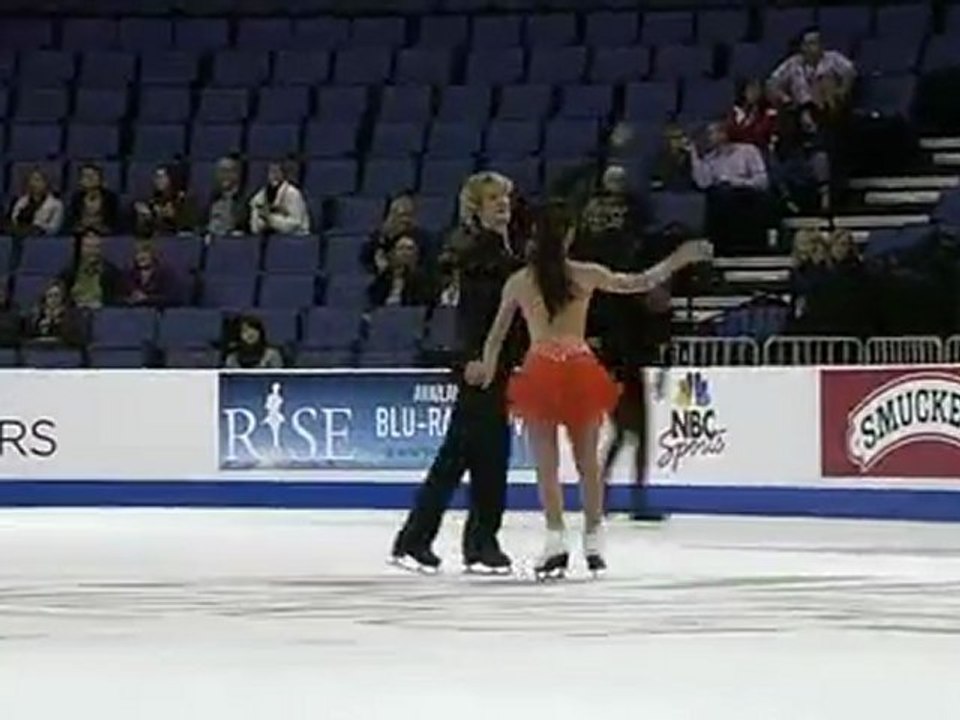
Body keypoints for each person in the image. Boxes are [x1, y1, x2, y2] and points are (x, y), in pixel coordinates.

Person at [474, 202, 711, 577]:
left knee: (547, 467)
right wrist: (677, 260)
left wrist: (487, 366)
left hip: (540, 370)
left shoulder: (519, 281)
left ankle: (555, 540)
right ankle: (593, 541)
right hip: (579, 367)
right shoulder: (586, 274)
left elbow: (497, 336)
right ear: (568, 237)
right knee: (588, 465)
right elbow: (639, 282)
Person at [391, 172, 526, 574]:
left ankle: (427, 540)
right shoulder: (475, 251)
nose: (503, 204)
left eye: (506, 197)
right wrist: (469, 358)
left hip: (493, 363)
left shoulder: (499, 248)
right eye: (493, 199)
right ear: (476, 207)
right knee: (481, 454)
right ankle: (476, 542)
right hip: (479, 364)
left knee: (468, 454)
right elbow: (468, 315)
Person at [248, 161, 310, 236]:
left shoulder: (293, 193)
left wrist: (271, 219)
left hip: (296, 238)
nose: (274, 176)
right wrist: (262, 223)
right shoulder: (260, 196)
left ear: (284, 174)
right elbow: (255, 227)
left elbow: (296, 223)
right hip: (272, 238)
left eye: (277, 172)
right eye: (271, 172)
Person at [8, 168, 64, 238]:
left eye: (37, 180)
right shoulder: (21, 201)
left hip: (43, 242)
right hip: (21, 237)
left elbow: (54, 228)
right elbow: (14, 220)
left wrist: (37, 228)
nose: (33, 184)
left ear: (46, 183)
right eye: (31, 180)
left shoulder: (56, 204)